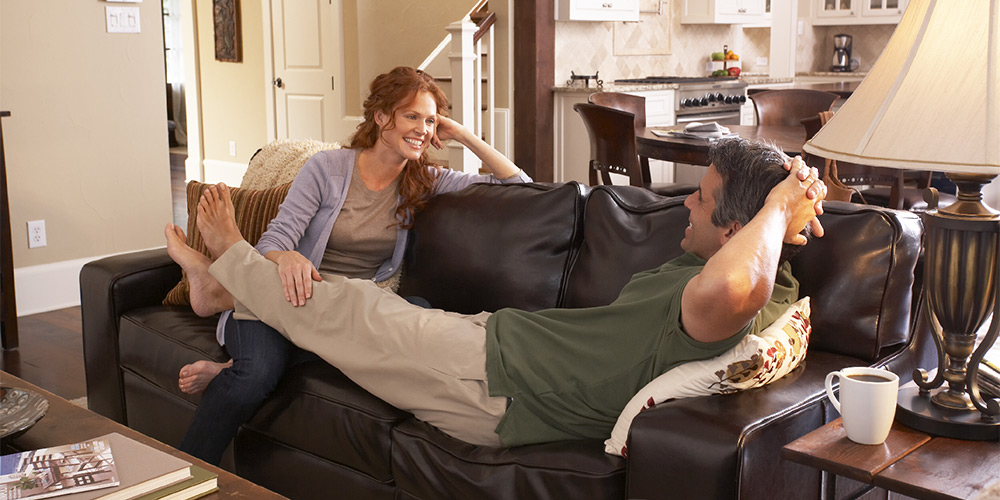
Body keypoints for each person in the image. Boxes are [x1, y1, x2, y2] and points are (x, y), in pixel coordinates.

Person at [190, 137, 827, 448]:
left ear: (742, 227)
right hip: (500, 350)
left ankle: (229, 265)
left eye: (702, 197)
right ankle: (231, 292)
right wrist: (791, 202)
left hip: (500, 378)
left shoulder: (741, 298)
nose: (685, 201)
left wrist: (778, 206)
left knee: (350, 308)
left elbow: (734, 287)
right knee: (359, 314)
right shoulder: (765, 274)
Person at [163, 66, 531, 463]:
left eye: (430, 120)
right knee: (254, 376)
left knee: (418, 320)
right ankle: (184, 475)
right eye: (412, 116)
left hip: (349, 313)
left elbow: (521, 189)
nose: (423, 129)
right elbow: (274, 241)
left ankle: (220, 309)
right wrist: (286, 256)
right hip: (288, 295)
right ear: (380, 117)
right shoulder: (328, 168)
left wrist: (461, 134)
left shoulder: (425, 179)